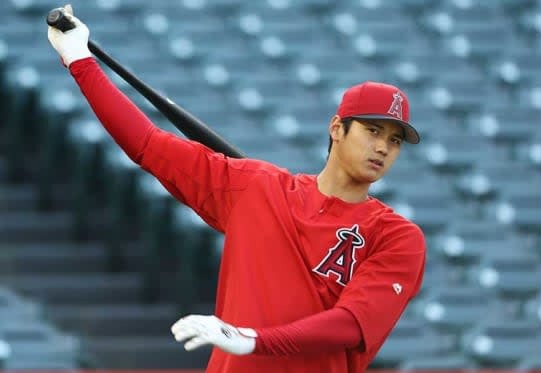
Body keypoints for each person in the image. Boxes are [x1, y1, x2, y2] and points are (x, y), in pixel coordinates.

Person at [47, 6, 426, 373]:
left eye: (395, 141)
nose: (382, 147)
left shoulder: (396, 237)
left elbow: (348, 325)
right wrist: (79, 60)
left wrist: (252, 339)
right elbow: (146, 143)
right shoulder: (257, 187)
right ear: (337, 128)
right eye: (372, 131)